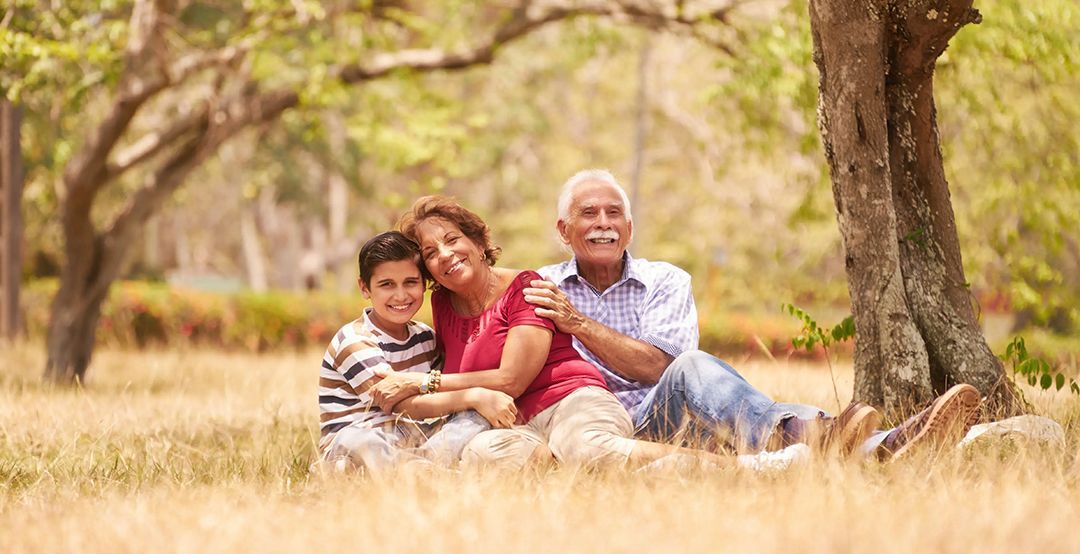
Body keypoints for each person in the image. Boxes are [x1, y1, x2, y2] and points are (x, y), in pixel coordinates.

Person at [521, 168, 981, 459]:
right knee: (738, 408)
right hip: (601, 430)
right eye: (588, 214)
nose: (603, 223)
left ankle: (878, 443)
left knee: (692, 369)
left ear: (629, 227)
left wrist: (577, 323)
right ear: (564, 230)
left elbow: (659, 367)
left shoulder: (665, 280)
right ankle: (864, 441)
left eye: (613, 213)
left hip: (672, 418)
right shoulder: (540, 287)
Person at [368, 196, 811, 471]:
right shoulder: (442, 304)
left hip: (571, 402)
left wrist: (423, 382)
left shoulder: (527, 287)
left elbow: (510, 381)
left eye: (452, 239)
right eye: (430, 252)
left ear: (479, 242)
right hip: (515, 422)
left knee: (587, 447)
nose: (445, 255)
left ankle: (751, 468)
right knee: (483, 458)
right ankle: (637, 472)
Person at [317, 231, 517, 472]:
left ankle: (420, 468)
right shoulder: (354, 340)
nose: (401, 295)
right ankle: (427, 471)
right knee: (358, 441)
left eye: (410, 282)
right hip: (363, 438)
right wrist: (473, 396)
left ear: (424, 284)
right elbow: (402, 404)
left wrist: (478, 402)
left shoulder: (425, 337)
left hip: (416, 439)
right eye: (386, 284)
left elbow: (440, 388)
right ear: (365, 288)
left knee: (476, 417)